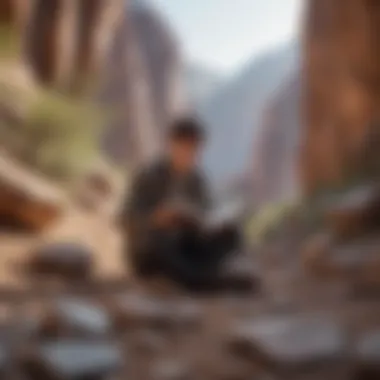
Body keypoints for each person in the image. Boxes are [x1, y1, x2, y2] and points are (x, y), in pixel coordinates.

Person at [119, 117, 241, 291]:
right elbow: (126, 217)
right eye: (184, 146)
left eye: (193, 148)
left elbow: (204, 215)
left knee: (231, 233)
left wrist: (204, 222)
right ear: (171, 145)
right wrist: (156, 217)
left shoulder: (197, 180)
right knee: (164, 242)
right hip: (153, 249)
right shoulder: (149, 176)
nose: (188, 153)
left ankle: (200, 276)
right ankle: (203, 280)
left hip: (185, 245)